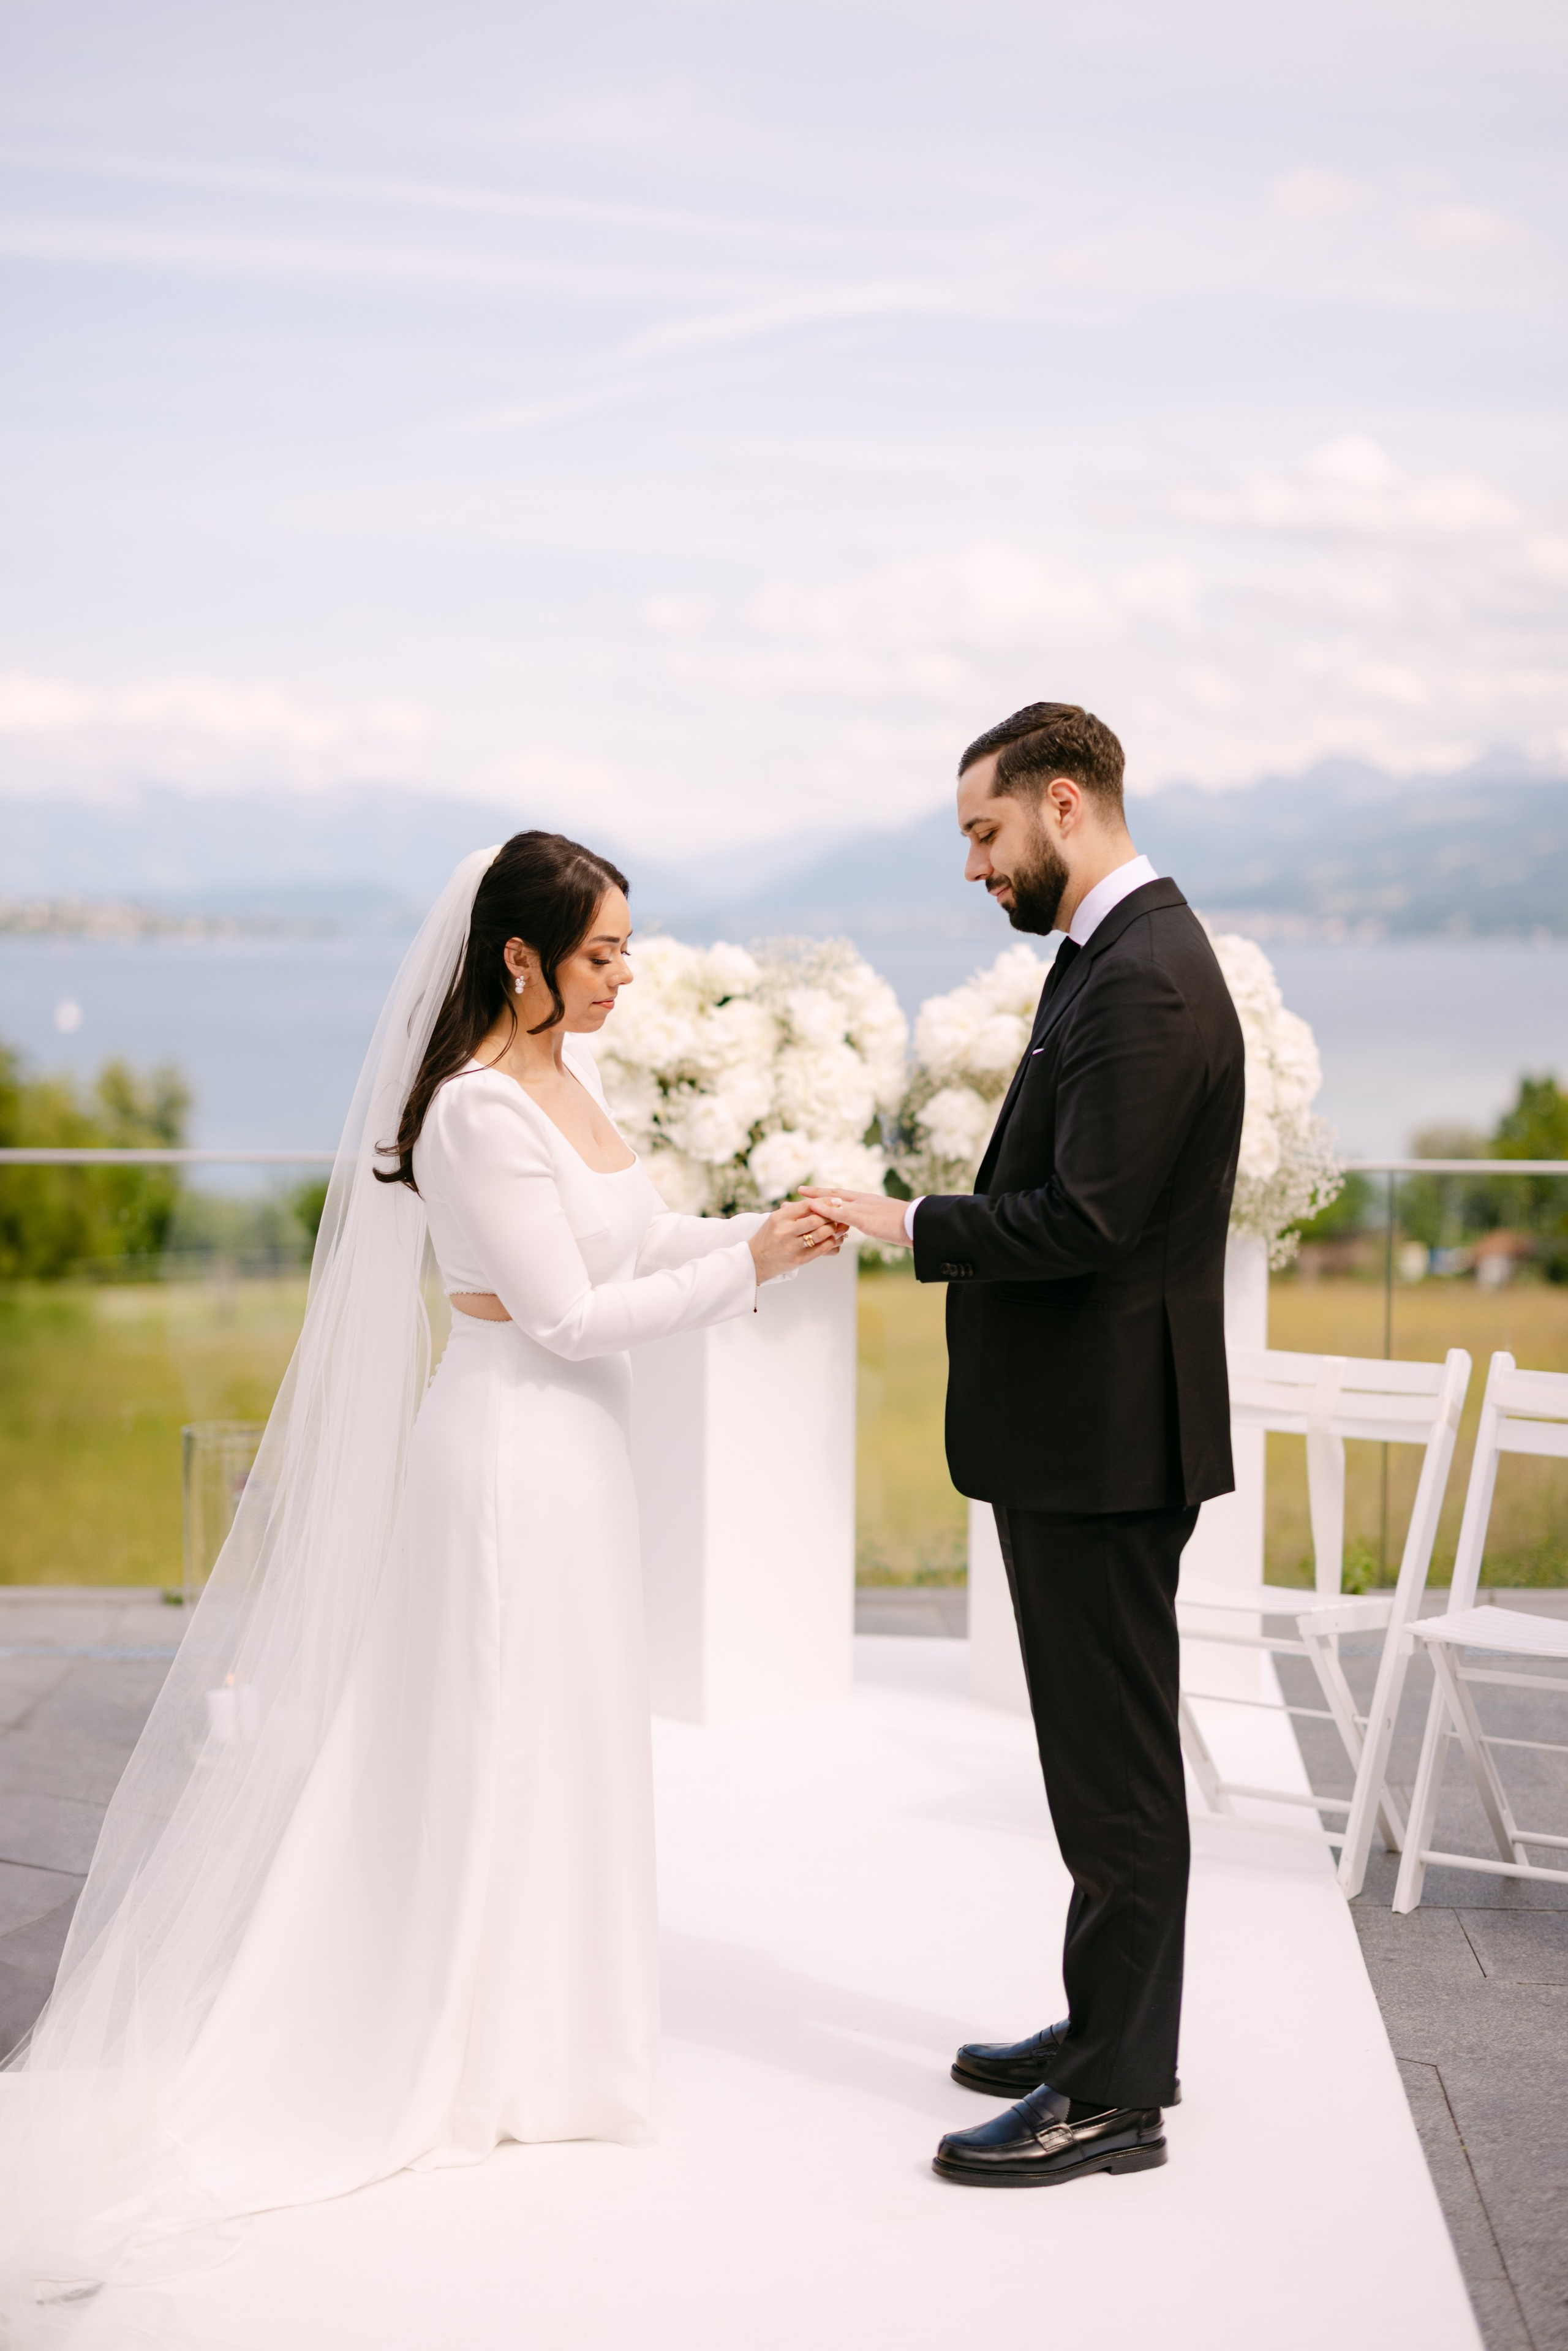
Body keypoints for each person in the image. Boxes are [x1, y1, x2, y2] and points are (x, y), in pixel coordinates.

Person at [0, 832, 843, 2306]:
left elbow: (642, 1237)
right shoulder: (469, 1115)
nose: (623, 975)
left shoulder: (572, 1087)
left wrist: (761, 1229)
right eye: (598, 954)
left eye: (625, 948)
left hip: (581, 1464)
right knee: (490, 1738)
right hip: (509, 1457)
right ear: (516, 956)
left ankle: (551, 2037)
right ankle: (456, 2040)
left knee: (568, 1740)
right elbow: (568, 1314)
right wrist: (748, 1274)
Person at [807, 701, 1245, 2189]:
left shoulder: (1143, 981)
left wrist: (903, 1218)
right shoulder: (1109, 958)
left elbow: (1087, 1218)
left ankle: (1115, 2095)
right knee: (1091, 1763)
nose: (977, 868)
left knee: (1115, 1775)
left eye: (984, 835)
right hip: (1085, 1431)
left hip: (1108, 1441)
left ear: (1063, 805)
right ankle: (1100, 2028)